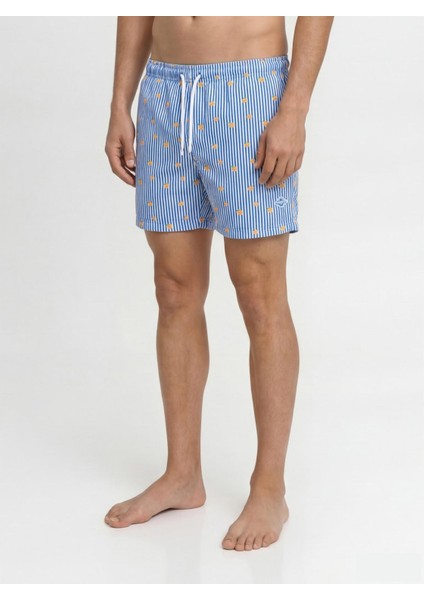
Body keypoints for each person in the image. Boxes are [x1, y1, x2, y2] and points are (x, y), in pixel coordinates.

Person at [104, 16, 333, 551]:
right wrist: (120, 101)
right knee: (173, 289)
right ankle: (182, 474)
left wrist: (294, 108)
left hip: (249, 90)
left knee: (259, 294)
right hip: (164, 91)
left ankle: (269, 488)